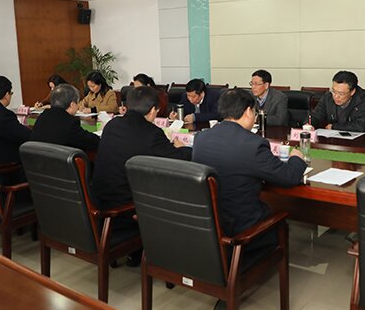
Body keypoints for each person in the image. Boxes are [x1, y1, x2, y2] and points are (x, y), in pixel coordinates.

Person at [192, 88, 306, 269]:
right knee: (280, 223)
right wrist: (296, 158)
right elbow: (288, 177)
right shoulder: (253, 144)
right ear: (247, 112)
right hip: (242, 231)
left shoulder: (201, 137)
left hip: (209, 225)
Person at [91, 86, 192, 256]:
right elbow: (178, 159)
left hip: (100, 201)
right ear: (153, 110)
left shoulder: (112, 125)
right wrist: (184, 148)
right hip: (126, 210)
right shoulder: (152, 133)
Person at [30, 84, 100, 152]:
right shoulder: (69, 122)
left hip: (37, 158)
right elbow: (93, 142)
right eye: (77, 103)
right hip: (58, 159)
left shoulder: (43, 116)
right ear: (72, 104)